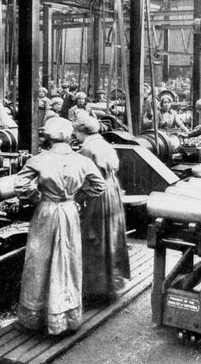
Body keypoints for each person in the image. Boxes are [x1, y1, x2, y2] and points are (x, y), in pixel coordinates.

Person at [14, 118, 106, 336]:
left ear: (48, 137)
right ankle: (65, 318)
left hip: (46, 211)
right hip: (69, 211)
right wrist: (78, 196)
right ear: (69, 136)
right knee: (67, 260)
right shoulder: (81, 160)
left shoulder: (40, 159)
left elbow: (19, 185)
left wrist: (36, 197)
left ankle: (35, 318)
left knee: (39, 260)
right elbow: (99, 186)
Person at [73, 115, 130, 304]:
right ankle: (112, 286)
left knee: (96, 238)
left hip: (99, 196)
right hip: (112, 190)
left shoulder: (87, 148)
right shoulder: (105, 144)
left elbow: (81, 176)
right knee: (111, 237)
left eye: (76, 132)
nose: (74, 135)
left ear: (83, 131)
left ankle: (97, 291)